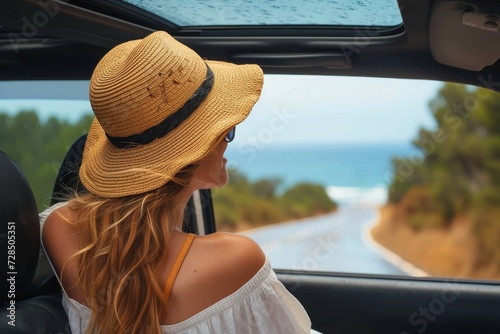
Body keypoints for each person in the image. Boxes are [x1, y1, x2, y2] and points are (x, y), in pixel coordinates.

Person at [40, 31, 313, 333]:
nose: (229, 140)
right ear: (194, 152)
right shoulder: (237, 259)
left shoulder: (60, 228)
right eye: (226, 131)